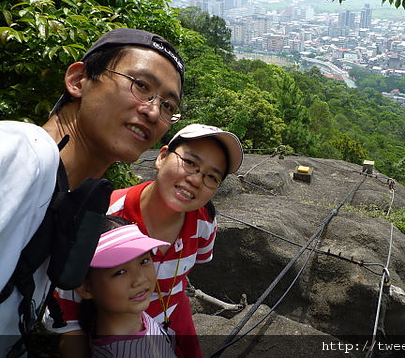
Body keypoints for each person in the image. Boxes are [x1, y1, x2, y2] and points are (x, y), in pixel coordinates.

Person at [0, 27, 185, 357]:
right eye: (141, 86)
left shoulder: (64, 198)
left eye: (168, 105)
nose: (154, 112)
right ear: (78, 80)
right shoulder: (24, 151)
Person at [52, 123, 244, 358]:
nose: (196, 179)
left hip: (175, 315)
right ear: (162, 157)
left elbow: (187, 271)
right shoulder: (104, 216)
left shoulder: (204, 222)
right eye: (190, 162)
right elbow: (69, 315)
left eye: (211, 176)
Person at [75, 215, 176, 358]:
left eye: (144, 261)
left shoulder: (135, 318)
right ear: (86, 288)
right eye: (120, 272)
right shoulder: (119, 352)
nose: (139, 279)